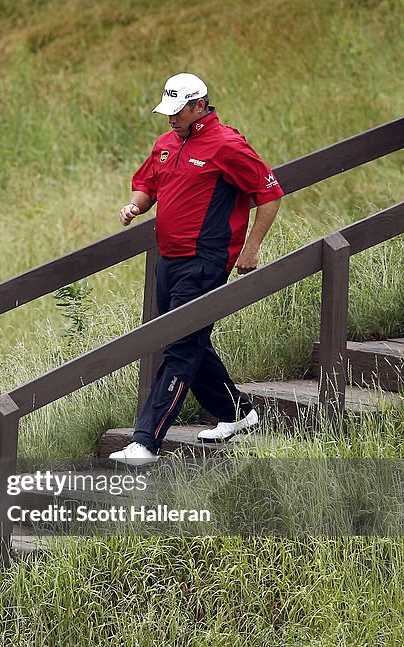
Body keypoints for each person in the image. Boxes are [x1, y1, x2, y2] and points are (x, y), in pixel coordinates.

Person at [109, 73, 284, 465]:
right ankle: (238, 414)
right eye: (167, 111)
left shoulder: (227, 145)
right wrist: (135, 206)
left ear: (199, 106)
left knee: (179, 345)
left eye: (178, 112)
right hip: (168, 259)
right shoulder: (167, 143)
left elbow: (269, 194)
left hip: (205, 261)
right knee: (190, 340)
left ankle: (146, 440)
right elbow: (148, 184)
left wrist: (251, 248)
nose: (170, 119)